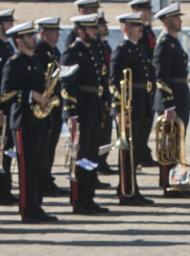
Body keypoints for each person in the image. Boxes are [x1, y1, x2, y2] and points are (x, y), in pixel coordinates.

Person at [2, 21, 57, 222]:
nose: (33, 39)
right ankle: (27, 209)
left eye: (33, 36)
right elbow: (5, 94)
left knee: (40, 166)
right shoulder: (14, 62)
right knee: (27, 167)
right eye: (28, 36)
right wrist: (29, 95)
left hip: (40, 121)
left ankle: (37, 205)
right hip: (23, 122)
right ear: (19, 40)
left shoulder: (35, 61)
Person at [62, 14, 109, 214]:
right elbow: (66, 86)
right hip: (81, 110)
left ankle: (89, 198)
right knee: (80, 158)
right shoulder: (72, 53)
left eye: (94, 28)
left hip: (93, 109)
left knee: (90, 156)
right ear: (80, 31)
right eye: (89, 29)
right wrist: (71, 113)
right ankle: (80, 200)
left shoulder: (93, 51)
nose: (94, 32)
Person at [111, 11, 154, 204]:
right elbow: (113, 82)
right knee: (128, 150)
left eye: (141, 26)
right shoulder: (122, 50)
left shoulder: (138, 49)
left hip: (141, 103)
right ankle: (126, 190)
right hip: (128, 106)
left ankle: (130, 187)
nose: (140, 29)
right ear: (125, 28)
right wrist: (119, 110)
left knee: (137, 148)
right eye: (136, 26)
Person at [153, 3, 190, 196]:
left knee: (180, 145)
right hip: (172, 100)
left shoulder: (174, 42)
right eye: (176, 18)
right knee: (169, 146)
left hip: (181, 96)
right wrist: (169, 104)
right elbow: (161, 77)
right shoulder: (164, 44)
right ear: (167, 21)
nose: (180, 21)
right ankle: (169, 185)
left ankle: (180, 182)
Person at [35, 17, 66, 197]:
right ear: (43, 33)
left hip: (54, 103)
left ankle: (47, 178)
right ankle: (43, 180)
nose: (56, 35)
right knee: (45, 147)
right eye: (53, 32)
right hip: (45, 104)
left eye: (56, 32)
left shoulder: (54, 51)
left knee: (51, 145)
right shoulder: (40, 50)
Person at [128, 0, 158, 167]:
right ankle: (139, 155)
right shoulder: (137, 33)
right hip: (138, 85)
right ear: (136, 10)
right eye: (145, 9)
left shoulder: (147, 31)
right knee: (139, 123)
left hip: (149, 81)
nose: (149, 13)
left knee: (147, 121)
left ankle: (143, 152)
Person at [0, 8, 17, 206]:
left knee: (7, 151)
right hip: (2, 109)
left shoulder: (8, 47)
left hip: (10, 108)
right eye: (8, 22)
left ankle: (6, 189)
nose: (11, 26)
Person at [96, 12, 116, 175]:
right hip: (99, 96)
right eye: (103, 25)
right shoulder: (96, 47)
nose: (106, 28)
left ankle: (102, 162)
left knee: (106, 133)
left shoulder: (105, 45)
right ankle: (98, 164)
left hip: (107, 93)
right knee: (100, 133)